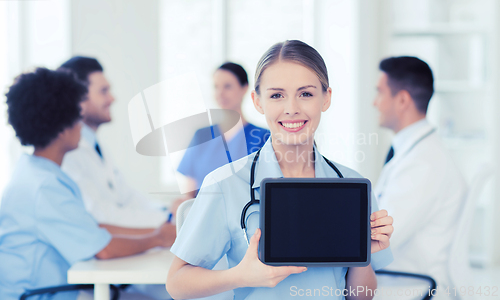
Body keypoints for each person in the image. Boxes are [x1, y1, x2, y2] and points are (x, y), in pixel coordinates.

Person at [167, 40, 394, 300]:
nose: (292, 108)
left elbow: (360, 297)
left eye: (306, 94)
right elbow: (176, 283)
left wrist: (362, 254)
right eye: (277, 95)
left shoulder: (353, 186)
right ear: (258, 101)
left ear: (326, 98)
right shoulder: (224, 183)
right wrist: (239, 276)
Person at [0, 68, 175, 300]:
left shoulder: (36, 173)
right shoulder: (45, 187)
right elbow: (103, 249)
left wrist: (160, 233)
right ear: (62, 129)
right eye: (76, 118)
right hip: (41, 295)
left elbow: (94, 229)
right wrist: (159, 238)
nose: (81, 125)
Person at [373, 56, 467, 293]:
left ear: (402, 100)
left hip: (407, 284)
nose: (375, 103)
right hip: (398, 277)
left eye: (380, 93)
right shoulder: (418, 152)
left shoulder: (423, 164)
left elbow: (381, 242)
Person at [59, 56, 171, 229]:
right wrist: (165, 220)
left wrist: (167, 211)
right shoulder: (68, 153)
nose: (112, 99)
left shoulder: (96, 146)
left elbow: (126, 197)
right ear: (78, 99)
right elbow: (100, 214)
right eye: (103, 91)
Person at [176, 62, 269, 198]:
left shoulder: (263, 138)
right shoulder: (201, 136)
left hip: (246, 216)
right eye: (216, 87)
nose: (220, 93)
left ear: (245, 88)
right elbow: (189, 195)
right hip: (203, 215)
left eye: (227, 86)